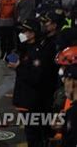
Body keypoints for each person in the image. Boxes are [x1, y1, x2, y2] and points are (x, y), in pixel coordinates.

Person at [10, 18, 55, 147]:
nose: (22, 33)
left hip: (32, 101)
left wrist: (18, 67)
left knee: (34, 134)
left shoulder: (38, 52)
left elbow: (35, 78)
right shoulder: (26, 48)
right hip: (25, 99)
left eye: (25, 31)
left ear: (33, 33)